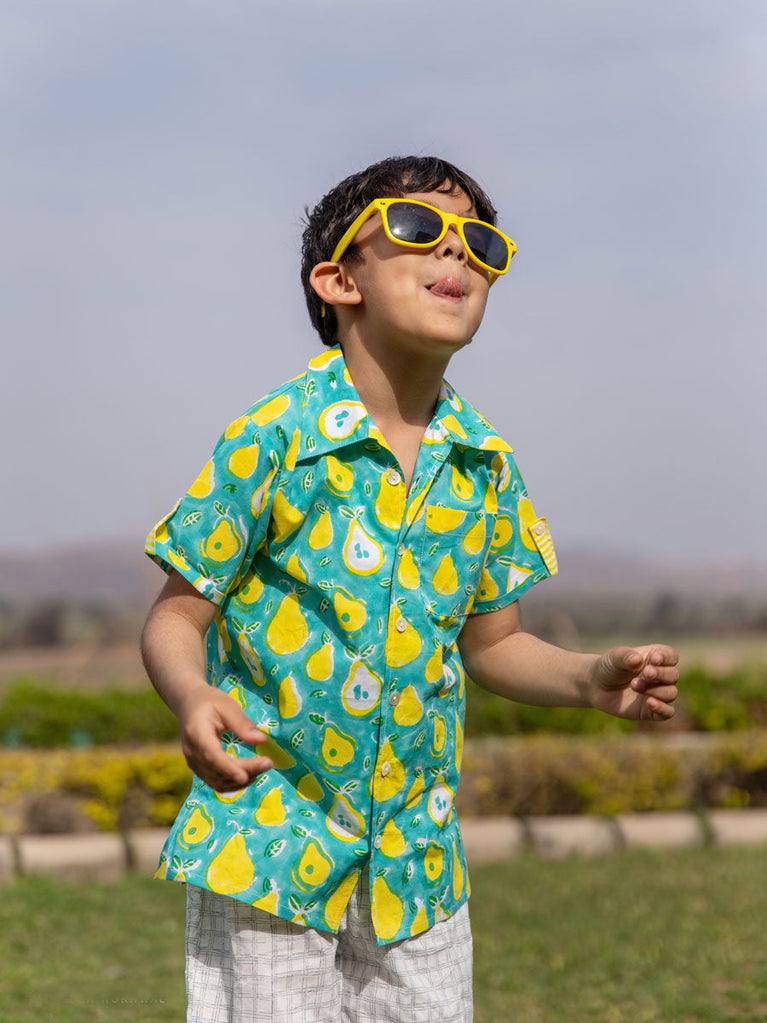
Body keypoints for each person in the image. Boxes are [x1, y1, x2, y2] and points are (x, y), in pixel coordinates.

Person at [141, 155, 679, 1023]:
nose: (456, 253)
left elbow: (494, 643)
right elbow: (177, 612)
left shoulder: (483, 462)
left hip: (416, 866)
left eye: (481, 242)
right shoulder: (272, 438)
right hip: (270, 840)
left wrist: (587, 679)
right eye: (420, 229)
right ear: (338, 281)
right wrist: (193, 693)